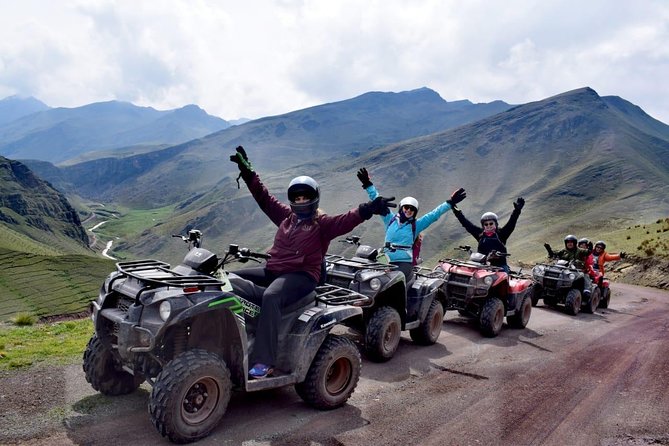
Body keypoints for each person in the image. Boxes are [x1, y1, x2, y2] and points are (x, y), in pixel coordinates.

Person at [230, 146, 394, 379]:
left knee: (271, 296)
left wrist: (368, 208)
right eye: (297, 197)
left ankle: (264, 361)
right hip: (275, 270)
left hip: (302, 276)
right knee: (228, 279)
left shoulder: (322, 224)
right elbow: (264, 198)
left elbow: (345, 220)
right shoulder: (286, 217)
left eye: (305, 197)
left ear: (314, 199)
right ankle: (242, 332)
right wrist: (248, 173)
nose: (300, 200)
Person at [356, 167, 466, 280]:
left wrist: (450, 203)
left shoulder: (416, 225)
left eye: (412, 209)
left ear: (415, 212)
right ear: (401, 208)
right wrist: (368, 184)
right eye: (406, 207)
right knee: (366, 277)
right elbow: (377, 200)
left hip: (403, 263)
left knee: (394, 281)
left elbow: (434, 215)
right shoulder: (390, 219)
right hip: (385, 258)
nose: (409, 210)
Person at [449, 197, 525, 272]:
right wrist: (456, 211)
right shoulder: (480, 234)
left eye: (491, 223)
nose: (488, 226)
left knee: (505, 279)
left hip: (500, 267)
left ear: (496, 223)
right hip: (481, 265)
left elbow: (512, 222)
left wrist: (517, 210)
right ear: (483, 225)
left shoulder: (502, 233)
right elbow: (465, 223)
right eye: (486, 224)